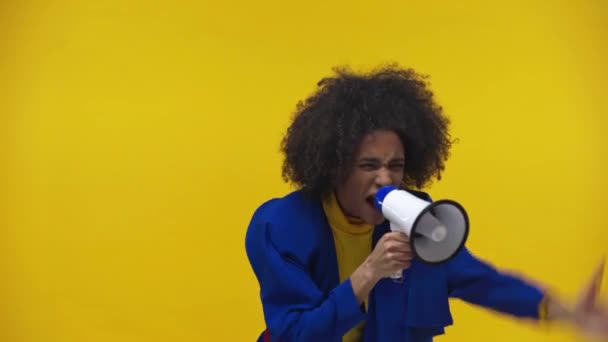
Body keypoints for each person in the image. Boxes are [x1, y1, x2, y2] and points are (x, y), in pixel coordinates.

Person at [244, 64, 608, 342]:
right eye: (368, 165)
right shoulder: (280, 226)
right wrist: (368, 273)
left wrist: (566, 311)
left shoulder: (417, 218)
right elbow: (294, 334)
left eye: (395, 166)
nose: (385, 179)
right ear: (333, 167)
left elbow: (481, 281)